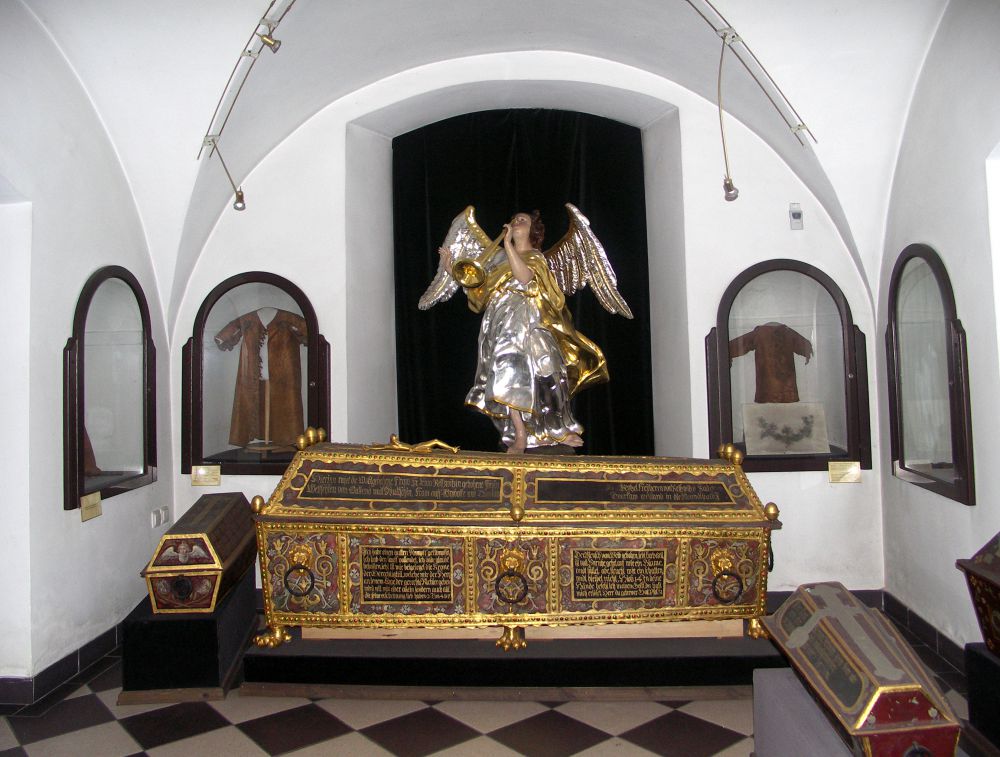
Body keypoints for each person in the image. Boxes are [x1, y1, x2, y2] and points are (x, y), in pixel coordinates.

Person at [440, 211, 608, 453]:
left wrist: (508, 245)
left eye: (523, 220)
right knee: (509, 371)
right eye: (515, 219)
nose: (517, 221)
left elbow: (524, 277)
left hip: (532, 320)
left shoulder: (535, 257)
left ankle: (554, 429)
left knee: (549, 373)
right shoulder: (499, 261)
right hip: (504, 322)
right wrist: (451, 271)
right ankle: (519, 434)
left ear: (533, 230)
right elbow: (480, 292)